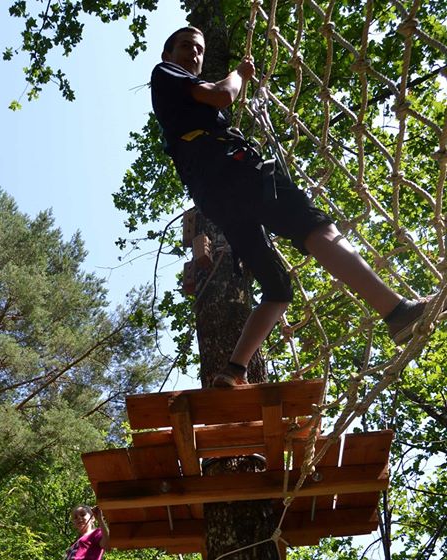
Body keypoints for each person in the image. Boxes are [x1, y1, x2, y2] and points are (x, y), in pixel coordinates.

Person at [151, 26, 436, 386]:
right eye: (186, 46)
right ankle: (396, 310)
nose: (194, 54)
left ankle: (234, 370)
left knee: (277, 289)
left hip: (218, 199)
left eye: (199, 50)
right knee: (313, 226)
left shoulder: (180, 103)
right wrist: (240, 73)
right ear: (168, 54)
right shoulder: (166, 73)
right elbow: (222, 95)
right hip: (234, 172)